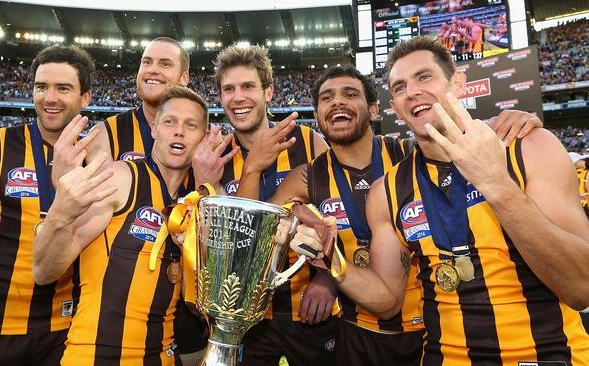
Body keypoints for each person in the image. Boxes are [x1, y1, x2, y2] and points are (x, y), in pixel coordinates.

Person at [291, 36, 589, 365]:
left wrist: (495, 183)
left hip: (550, 356)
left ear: (458, 82)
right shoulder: (387, 190)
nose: (412, 91)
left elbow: (581, 286)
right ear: (395, 106)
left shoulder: (526, 147)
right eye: (400, 87)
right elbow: (388, 301)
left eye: (424, 77)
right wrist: (332, 261)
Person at [238, 64, 543, 365]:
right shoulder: (308, 177)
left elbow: (460, 139)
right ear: (318, 116)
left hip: (427, 330)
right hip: (354, 330)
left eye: (349, 94)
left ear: (373, 110)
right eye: (327, 98)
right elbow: (256, 236)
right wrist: (324, 274)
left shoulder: (410, 153)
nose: (337, 102)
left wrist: (510, 120)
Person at [51, 37, 208, 365]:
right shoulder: (106, 134)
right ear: (155, 129)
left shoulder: (203, 146)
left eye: (165, 64)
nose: (152, 70)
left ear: (184, 78)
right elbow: (75, 230)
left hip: (183, 318)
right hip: (113, 320)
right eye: (146, 62)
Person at [0, 45, 95, 365]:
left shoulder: (97, 159)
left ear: (85, 98)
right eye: (42, 87)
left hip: (66, 330)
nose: (50, 97)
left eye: (63, 88)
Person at [191, 44, 336, 366]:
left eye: (248, 86)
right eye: (228, 89)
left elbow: (337, 216)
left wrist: (328, 280)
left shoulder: (308, 141)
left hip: (311, 309)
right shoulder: (217, 156)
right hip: (246, 318)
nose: (237, 97)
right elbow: (228, 245)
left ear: (269, 91)